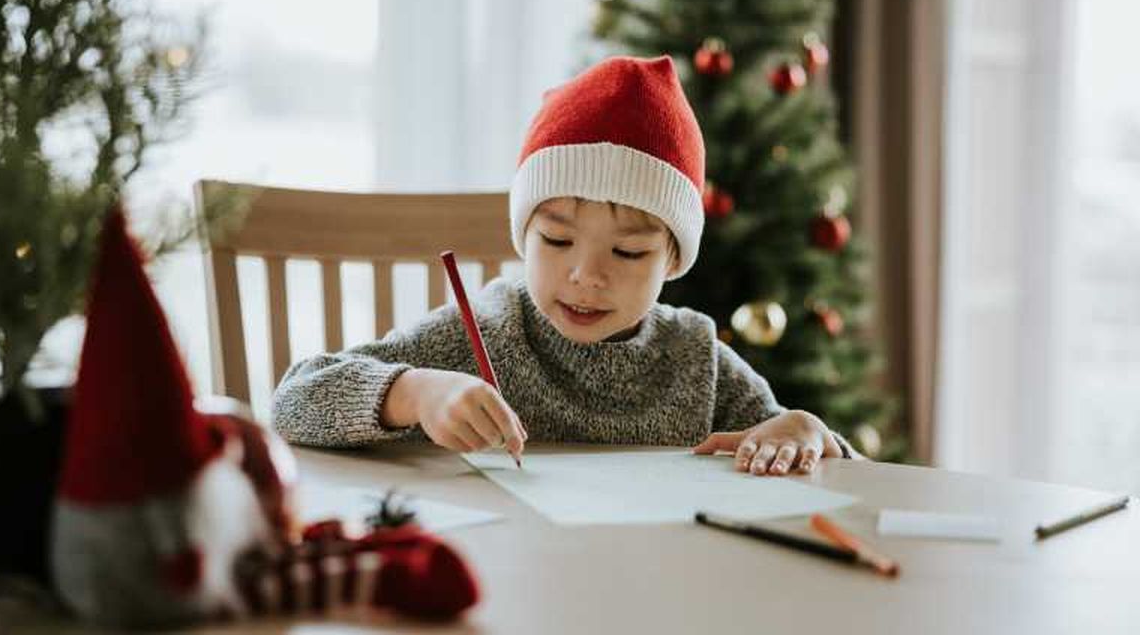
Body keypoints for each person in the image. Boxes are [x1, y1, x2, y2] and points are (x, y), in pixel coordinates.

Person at [272, 55, 854, 475]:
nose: (586, 275)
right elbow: (294, 401)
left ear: (673, 256)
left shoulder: (694, 360)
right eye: (555, 240)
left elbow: (840, 467)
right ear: (524, 235)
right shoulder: (486, 332)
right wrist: (416, 393)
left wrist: (805, 431)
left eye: (627, 252)